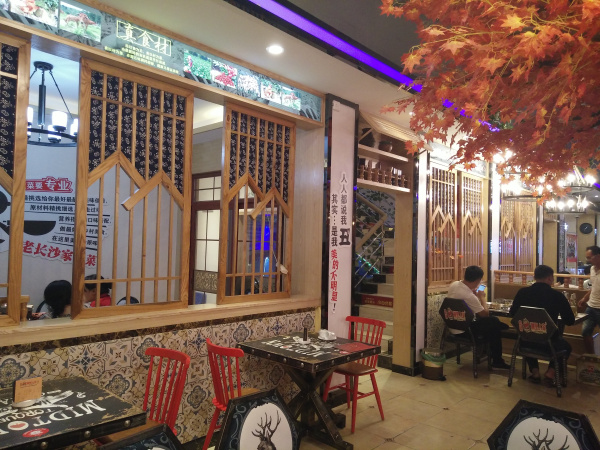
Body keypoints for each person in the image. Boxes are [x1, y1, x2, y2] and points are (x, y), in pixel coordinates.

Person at [510, 265, 575, 385]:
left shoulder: (522, 292)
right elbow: (570, 320)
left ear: (535, 277)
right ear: (550, 278)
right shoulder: (557, 296)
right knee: (566, 346)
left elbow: (512, 313)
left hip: (525, 342)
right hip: (549, 344)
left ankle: (535, 373)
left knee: (529, 333)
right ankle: (550, 373)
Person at [447, 265, 511, 370]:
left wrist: (474, 295)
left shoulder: (454, 285)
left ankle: (487, 354)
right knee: (493, 322)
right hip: (465, 331)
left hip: (452, 326)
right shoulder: (469, 295)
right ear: (478, 280)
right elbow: (485, 314)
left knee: (492, 324)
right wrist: (482, 297)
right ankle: (497, 360)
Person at [578, 246, 600, 354]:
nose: (588, 260)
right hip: (590, 307)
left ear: (598, 256)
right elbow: (594, 287)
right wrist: (584, 298)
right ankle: (592, 357)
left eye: (589, 257)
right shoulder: (592, 269)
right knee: (585, 332)